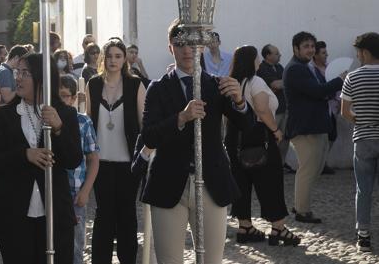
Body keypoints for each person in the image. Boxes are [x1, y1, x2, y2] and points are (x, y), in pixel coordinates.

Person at [141, 19, 252, 263]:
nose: (187, 50)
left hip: (211, 183)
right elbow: (148, 136)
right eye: (180, 44)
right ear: (171, 47)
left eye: (192, 44)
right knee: (169, 259)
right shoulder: (157, 89)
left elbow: (247, 126)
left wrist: (240, 101)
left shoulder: (216, 85)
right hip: (168, 183)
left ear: (200, 47)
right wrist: (181, 117)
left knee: (211, 260)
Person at [0, 53, 82, 264]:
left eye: (25, 73)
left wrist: (59, 128)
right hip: (13, 212)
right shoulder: (2, 116)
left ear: (43, 77)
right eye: (17, 72)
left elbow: (73, 160)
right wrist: (24, 155)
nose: (17, 78)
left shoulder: (65, 114)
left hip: (55, 212)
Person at [226, 46, 300, 246]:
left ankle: (245, 227)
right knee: (270, 181)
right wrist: (275, 130)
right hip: (259, 135)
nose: (259, 60)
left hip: (236, 138)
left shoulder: (234, 82)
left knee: (241, 182)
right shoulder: (256, 81)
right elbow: (261, 109)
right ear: (252, 60)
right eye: (257, 56)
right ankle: (278, 228)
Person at [86, 38, 146, 264]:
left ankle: (127, 259)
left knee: (127, 215)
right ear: (103, 58)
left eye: (118, 56)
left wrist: (145, 156)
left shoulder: (135, 85)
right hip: (100, 162)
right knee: (103, 214)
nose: (113, 60)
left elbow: (143, 123)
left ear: (124, 59)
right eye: (109, 56)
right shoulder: (92, 84)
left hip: (128, 162)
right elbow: (88, 122)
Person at [283, 31, 344, 224]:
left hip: (314, 125)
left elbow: (319, 92)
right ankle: (302, 211)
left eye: (312, 46)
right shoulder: (295, 69)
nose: (310, 50)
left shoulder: (305, 67)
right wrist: (340, 80)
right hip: (305, 128)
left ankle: (300, 205)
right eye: (306, 46)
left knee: (314, 169)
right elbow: (318, 91)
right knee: (308, 170)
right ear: (295, 49)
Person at [341, 32, 379, 253]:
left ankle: (363, 236)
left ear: (364, 52)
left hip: (363, 139)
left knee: (363, 190)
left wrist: (362, 120)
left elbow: (346, 112)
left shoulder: (352, 77)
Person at [59, 75, 99, 264]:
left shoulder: (83, 122)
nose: (61, 101)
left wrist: (86, 190)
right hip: (53, 193)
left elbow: (93, 159)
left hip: (75, 194)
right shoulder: (44, 121)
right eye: (58, 96)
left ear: (74, 98)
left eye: (65, 96)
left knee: (75, 248)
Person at [257, 44, 291, 170]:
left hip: (284, 108)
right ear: (268, 55)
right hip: (272, 111)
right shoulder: (262, 68)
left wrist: (284, 83)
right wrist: (289, 81)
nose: (280, 55)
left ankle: (281, 164)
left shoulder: (279, 67)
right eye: (276, 53)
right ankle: (270, 164)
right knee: (273, 138)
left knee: (285, 139)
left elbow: (281, 84)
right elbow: (275, 84)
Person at [312, 41, 339, 175]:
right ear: (315, 55)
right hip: (319, 108)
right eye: (323, 53)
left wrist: (339, 101)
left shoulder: (329, 68)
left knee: (332, 135)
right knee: (322, 137)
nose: (326, 55)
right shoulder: (311, 69)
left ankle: (323, 162)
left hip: (331, 108)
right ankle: (319, 164)